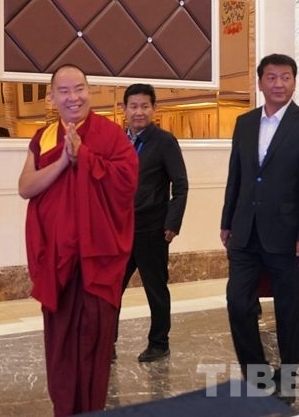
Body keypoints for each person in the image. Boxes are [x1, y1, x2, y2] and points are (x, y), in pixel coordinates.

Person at [18, 64, 138, 416]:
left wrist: (84, 156)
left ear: (89, 90)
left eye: (80, 88)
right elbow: (26, 187)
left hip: (96, 259)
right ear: (51, 97)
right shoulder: (44, 137)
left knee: (93, 342)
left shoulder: (110, 134)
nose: (74, 97)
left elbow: (127, 182)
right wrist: (64, 161)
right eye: (64, 91)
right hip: (56, 259)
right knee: (60, 344)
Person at [220, 53, 299, 402]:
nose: (279, 84)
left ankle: (289, 378)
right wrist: (227, 220)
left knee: (289, 311)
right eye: (271, 77)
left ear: (294, 82)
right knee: (238, 304)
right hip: (244, 231)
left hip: (288, 233)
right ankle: (257, 375)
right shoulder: (245, 122)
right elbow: (236, 176)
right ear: (260, 82)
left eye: (285, 77)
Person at [116, 83, 188, 362]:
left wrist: (172, 223)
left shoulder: (164, 141)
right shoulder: (117, 141)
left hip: (152, 229)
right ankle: (106, 342)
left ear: (154, 108)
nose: (139, 112)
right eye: (133, 106)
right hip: (120, 229)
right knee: (110, 289)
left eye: (145, 106)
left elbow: (180, 186)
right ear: (124, 109)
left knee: (155, 289)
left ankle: (159, 343)